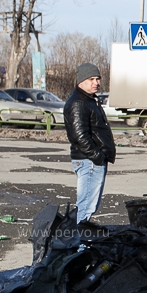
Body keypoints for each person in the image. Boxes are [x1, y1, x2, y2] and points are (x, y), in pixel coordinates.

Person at [64, 63, 115, 223]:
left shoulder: (88, 100)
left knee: (88, 206)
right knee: (86, 206)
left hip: (91, 160)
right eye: (91, 79)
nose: (96, 83)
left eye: (98, 79)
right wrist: (97, 156)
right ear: (80, 81)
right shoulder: (79, 103)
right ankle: (78, 244)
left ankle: (79, 242)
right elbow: (79, 136)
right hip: (89, 161)